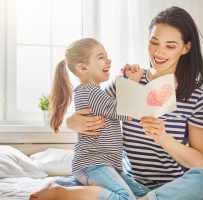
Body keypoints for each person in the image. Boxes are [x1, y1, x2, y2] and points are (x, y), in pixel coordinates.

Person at [31, 6, 203, 200]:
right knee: (68, 182)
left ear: (186, 48)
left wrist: (163, 138)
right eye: (154, 42)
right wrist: (72, 122)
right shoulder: (129, 80)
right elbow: (92, 104)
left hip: (172, 188)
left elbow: (198, 161)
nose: (159, 52)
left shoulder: (197, 95)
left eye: (170, 46)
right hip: (125, 181)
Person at [30, 38, 151, 200]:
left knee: (146, 196)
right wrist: (133, 82)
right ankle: (60, 192)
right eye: (101, 57)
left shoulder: (95, 93)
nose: (109, 60)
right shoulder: (90, 92)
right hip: (94, 164)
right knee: (125, 198)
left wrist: (126, 79)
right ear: (82, 67)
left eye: (107, 56)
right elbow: (127, 112)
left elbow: (117, 102)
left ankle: (65, 185)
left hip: (106, 165)